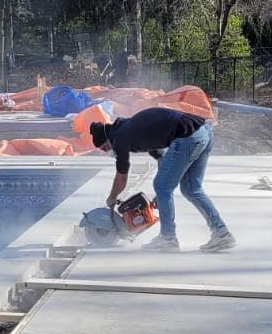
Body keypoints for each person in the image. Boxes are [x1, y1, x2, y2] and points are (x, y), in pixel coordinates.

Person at [89, 108, 234, 252]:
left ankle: (168, 237)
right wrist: (161, 195)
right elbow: (161, 159)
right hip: (204, 133)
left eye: (105, 147)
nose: (107, 151)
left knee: (162, 186)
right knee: (191, 188)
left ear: (108, 137)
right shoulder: (133, 129)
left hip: (188, 136)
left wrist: (112, 197)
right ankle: (221, 233)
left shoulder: (120, 137)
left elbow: (121, 177)